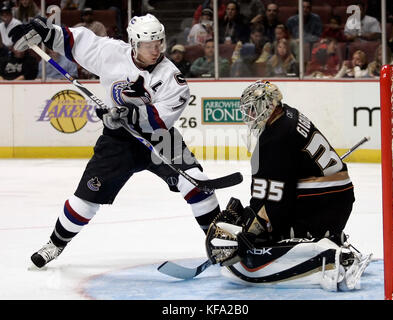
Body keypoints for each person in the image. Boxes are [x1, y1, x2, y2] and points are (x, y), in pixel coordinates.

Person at [9, 13, 221, 268]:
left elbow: (160, 118)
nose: (155, 50)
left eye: (159, 43)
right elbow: (74, 41)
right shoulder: (110, 53)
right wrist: (47, 32)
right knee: (85, 200)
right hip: (117, 142)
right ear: (134, 43)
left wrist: (128, 113)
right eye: (147, 44)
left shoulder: (173, 78)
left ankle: (222, 245)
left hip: (158, 138)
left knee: (198, 183)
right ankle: (55, 244)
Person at [205, 80, 372, 290]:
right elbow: (283, 183)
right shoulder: (289, 114)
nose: (249, 116)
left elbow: (276, 198)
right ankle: (330, 236)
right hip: (335, 200)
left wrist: (254, 229)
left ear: (267, 106)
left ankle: (333, 257)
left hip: (322, 207)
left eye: (252, 109)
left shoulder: (276, 137)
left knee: (266, 237)